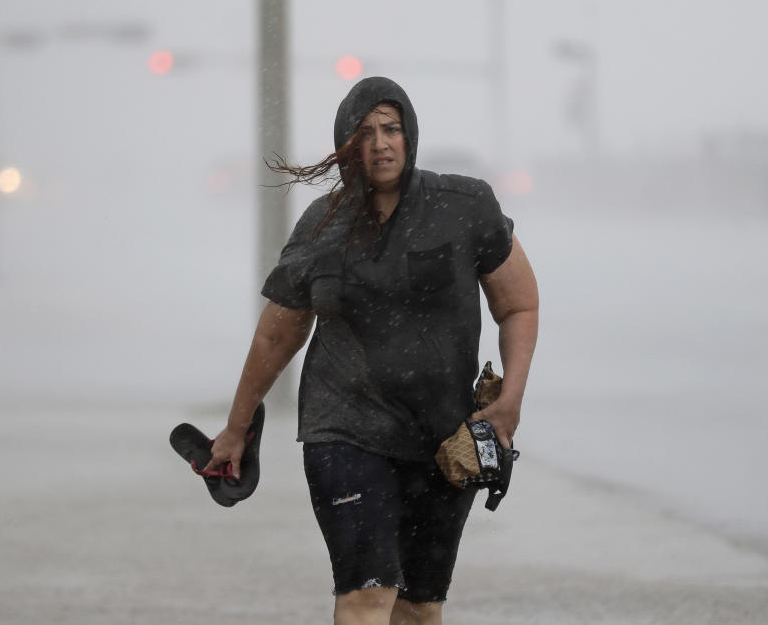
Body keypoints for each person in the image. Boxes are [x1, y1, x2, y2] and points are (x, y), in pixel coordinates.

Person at [204, 76, 539, 625]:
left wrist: (512, 399)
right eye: (364, 133)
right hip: (345, 431)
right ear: (347, 147)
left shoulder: (463, 206)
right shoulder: (323, 226)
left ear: (409, 137)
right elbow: (276, 334)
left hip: (443, 438)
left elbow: (519, 304)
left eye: (391, 129)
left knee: (417, 609)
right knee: (366, 595)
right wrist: (237, 428)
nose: (381, 143)